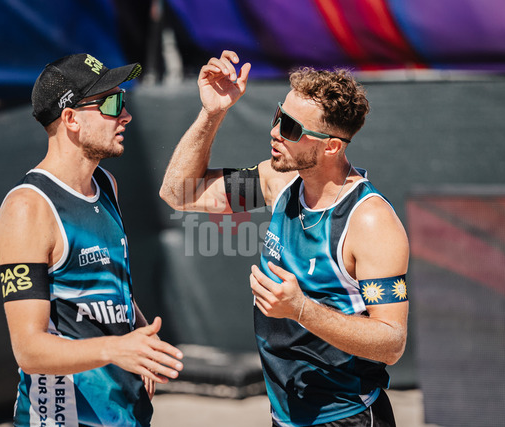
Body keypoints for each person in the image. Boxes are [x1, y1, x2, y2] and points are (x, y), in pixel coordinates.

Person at [159, 50, 409, 426]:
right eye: (278, 116)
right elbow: (179, 193)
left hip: (347, 417)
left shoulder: (369, 221)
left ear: (331, 146)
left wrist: (301, 309)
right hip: (286, 415)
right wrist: (212, 112)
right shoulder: (279, 181)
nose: (275, 132)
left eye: (291, 128)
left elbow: (392, 343)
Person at [0, 53, 183, 427]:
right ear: (71, 119)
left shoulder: (106, 185)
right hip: (62, 417)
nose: (125, 115)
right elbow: (28, 349)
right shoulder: (27, 208)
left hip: (123, 412)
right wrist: (117, 348)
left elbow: (110, 289)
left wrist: (141, 338)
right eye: (111, 103)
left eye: (123, 101)